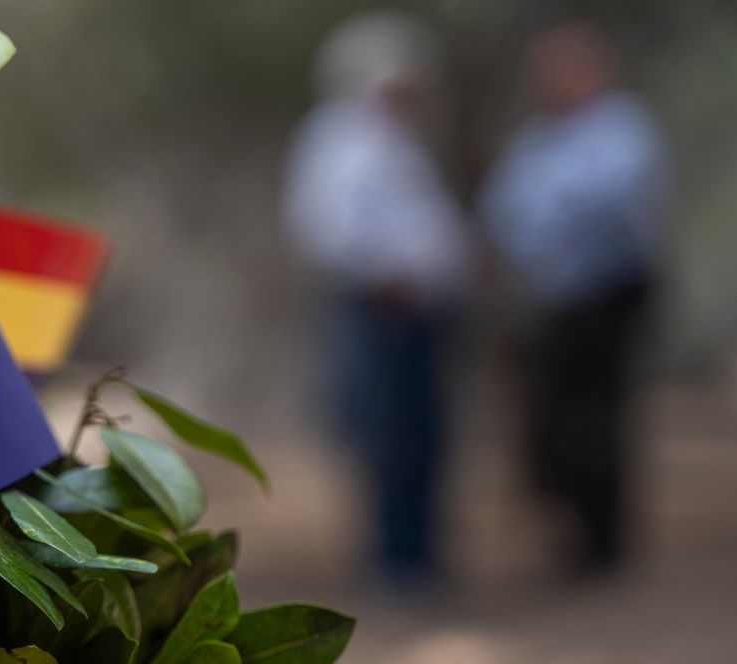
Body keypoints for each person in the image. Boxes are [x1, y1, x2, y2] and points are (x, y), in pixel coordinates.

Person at [283, 12, 469, 587]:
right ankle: (398, 560)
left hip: (418, 313)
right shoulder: (340, 141)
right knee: (391, 436)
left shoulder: (396, 143)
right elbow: (326, 230)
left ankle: (418, 555)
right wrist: (385, 280)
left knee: (423, 437)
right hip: (383, 312)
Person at [480, 23, 669, 574]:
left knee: (599, 418)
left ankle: (604, 540)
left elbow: (608, 204)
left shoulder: (624, 130)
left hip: (608, 297)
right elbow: (502, 213)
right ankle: (569, 525)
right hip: (552, 301)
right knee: (550, 420)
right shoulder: (537, 141)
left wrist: (544, 229)